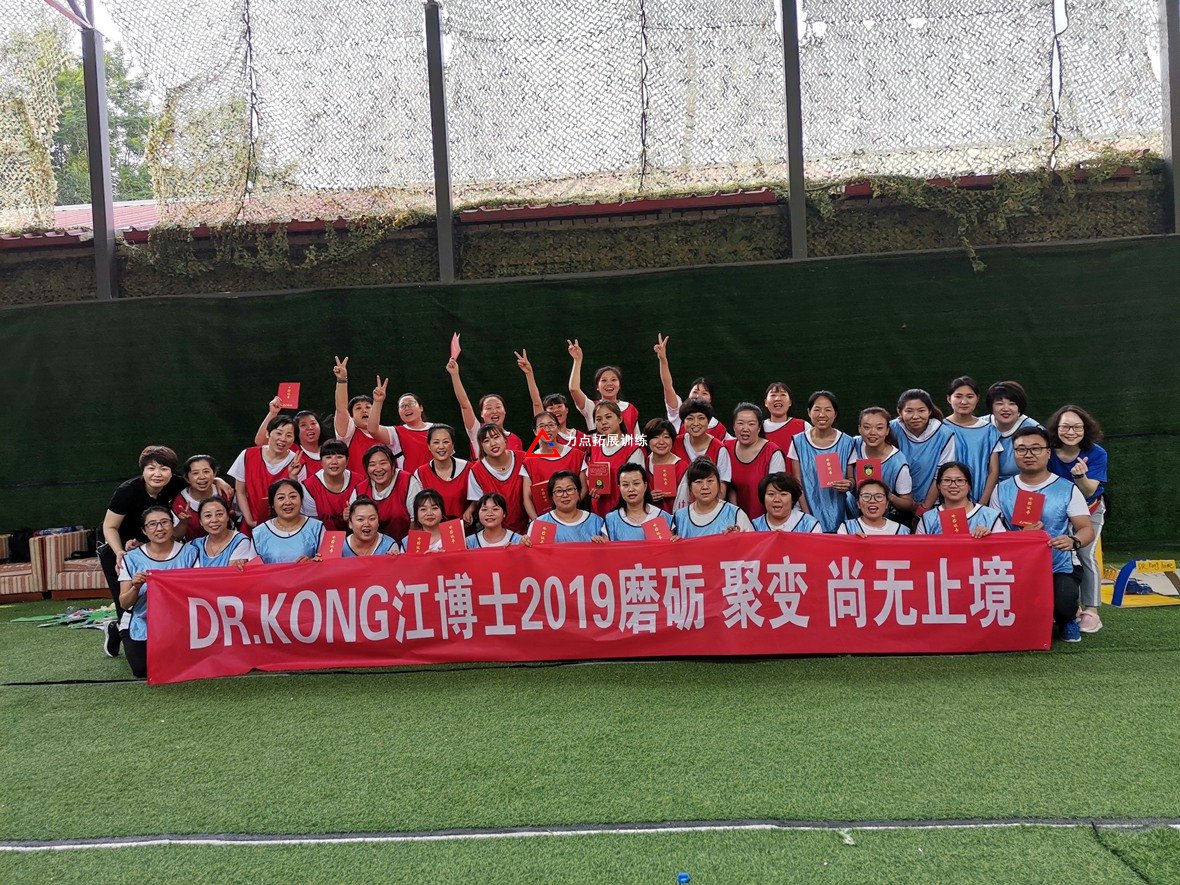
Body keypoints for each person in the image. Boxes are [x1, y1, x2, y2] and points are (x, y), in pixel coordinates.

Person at [990, 427, 1095, 642]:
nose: (1028, 454)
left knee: (1063, 602)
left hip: (1058, 565)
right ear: (1014, 454)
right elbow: (995, 532)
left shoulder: (1067, 488)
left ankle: (1067, 618)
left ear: (1048, 453)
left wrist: (1073, 541)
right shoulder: (1001, 490)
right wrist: (1021, 537)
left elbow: (1086, 528)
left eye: (1036, 449)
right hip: (1015, 567)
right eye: (1021, 449)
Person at [100, 445, 200, 657]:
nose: (157, 474)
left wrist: (219, 481)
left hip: (153, 545)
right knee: (127, 605)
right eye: (151, 468)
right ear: (143, 470)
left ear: (171, 472)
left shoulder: (174, 484)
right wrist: (120, 553)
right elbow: (109, 527)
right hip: (119, 548)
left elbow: (197, 480)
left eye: (163, 468)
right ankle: (117, 631)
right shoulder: (127, 491)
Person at [114, 505, 199, 678]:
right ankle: (117, 629)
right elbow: (124, 603)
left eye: (164, 522)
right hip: (141, 620)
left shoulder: (190, 553)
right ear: (144, 531)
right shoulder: (131, 558)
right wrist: (136, 587)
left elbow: (198, 590)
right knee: (141, 670)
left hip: (178, 621)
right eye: (152, 524)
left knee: (183, 664)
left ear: (172, 525)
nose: (159, 528)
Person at [1047, 404, 1109, 634]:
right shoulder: (1048, 452)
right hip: (1058, 512)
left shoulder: (1097, 453)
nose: (1071, 432)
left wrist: (1080, 476)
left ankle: (1092, 610)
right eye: (1065, 427)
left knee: (1085, 554)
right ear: (1056, 429)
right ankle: (1068, 608)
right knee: (1058, 556)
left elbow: (1090, 490)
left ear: (1085, 429)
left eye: (1077, 427)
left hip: (1090, 510)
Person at [788, 391, 855, 532]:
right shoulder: (798, 441)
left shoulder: (848, 442)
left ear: (835, 413)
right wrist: (807, 516)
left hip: (840, 513)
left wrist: (848, 484)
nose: (822, 414)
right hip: (807, 512)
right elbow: (797, 483)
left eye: (828, 410)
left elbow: (851, 479)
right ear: (809, 412)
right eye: (817, 409)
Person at [891, 389, 956, 520]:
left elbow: (942, 474)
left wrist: (924, 507)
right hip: (894, 504)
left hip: (931, 504)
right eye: (909, 411)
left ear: (929, 411)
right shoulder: (890, 428)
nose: (915, 416)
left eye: (921, 410)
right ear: (900, 412)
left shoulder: (944, 434)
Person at [230, 415, 298, 533]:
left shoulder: (297, 462)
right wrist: (249, 520)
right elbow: (240, 492)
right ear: (267, 434)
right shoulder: (247, 455)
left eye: (289, 435)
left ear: (293, 439)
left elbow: (297, 497)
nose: (283, 439)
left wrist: (293, 476)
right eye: (279, 433)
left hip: (285, 526)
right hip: (252, 524)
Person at [653, 333, 729, 440]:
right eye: (695, 391)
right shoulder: (678, 412)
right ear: (689, 394)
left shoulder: (718, 427)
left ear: (710, 399)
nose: (698, 396)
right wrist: (663, 360)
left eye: (704, 393)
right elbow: (667, 386)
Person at [446, 356, 524, 458]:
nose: (494, 411)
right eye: (489, 408)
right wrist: (454, 375)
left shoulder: (515, 439)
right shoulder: (477, 431)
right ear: (481, 414)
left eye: (498, 407)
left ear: (505, 411)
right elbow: (465, 405)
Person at [333, 358, 399, 475]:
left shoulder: (388, 434)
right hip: (359, 485)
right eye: (358, 408)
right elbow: (341, 410)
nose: (364, 410)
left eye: (368, 407)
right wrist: (342, 380)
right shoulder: (348, 434)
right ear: (351, 417)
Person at [943, 376, 1001, 505]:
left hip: (979, 498)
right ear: (949, 398)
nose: (964, 401)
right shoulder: (941, 428)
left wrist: (982, 503)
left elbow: (993, 471)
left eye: (970, 396)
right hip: (946, 500)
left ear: (977, 399)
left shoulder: (989, 430)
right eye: (958, 396)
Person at [723, 402, 785, 520]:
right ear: (734, 426)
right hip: (732, 520)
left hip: (764, 521)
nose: (745, 428)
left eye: (751, 424)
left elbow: (777, 493)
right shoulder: (725, 448)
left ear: (759, 427)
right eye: (740, 423)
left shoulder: (772, 452)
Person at [848, 407, 913, 516]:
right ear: (859, 429)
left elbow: (907, 503)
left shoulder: (897, 463)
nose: (872, 432)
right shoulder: (853, 444)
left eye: (879, 428)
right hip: (850, 515)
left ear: (887, 430)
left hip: (880, 518)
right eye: (867, 427)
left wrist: (886, 494)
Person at [467, 424, 531, 533]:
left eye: (496, 437)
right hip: (495, 531)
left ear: (505, 439)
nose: (493, 443)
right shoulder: (476, 470)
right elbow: (478, 500)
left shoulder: (524, 459)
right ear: (481, 446)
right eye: (486, 441)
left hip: (527, 528)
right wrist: (469, 510)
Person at [522, 411, 587, 518]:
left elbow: (584, 487)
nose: (547, 429)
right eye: (541, 426)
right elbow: (526, 498)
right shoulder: (529, 462)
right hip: (545, 519)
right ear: (535, 432)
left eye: (551, 425)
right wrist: (537, 522)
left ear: (558, 428)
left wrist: (568, 507)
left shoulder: (575, 455)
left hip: (573, 516)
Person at [567, 338, 640, 433]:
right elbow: (574, 389)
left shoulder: (630, 408)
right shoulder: (591, 407)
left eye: (613, 380)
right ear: (597, 387)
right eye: (604, 380)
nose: (609, 383)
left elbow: (637, 438)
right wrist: (577, 360)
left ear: (619, 385)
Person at [915, 462, 1006, 536]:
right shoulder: (928, 518)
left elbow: (1003, 548)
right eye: (947, 480)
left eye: (960, 480)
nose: (953, 485)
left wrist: (989, 538)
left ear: (969, 485)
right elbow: (920, 549)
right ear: (938, 485)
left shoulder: (989, 516)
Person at [584, 401, 642, 517]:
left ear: (620, 419)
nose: (603, 422)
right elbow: (588, 476)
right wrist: (593, 487)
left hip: (625, 514)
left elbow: (638, 484)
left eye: (608, 417)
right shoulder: (594, 446)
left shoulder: (633, 448)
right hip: (598, 512)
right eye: (598, 419)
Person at [351, 444, 418, 540]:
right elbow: (353, 523)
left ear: (393, 464)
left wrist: (406, 546)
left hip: (404, 545)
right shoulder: (360, 489)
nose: (378, 469)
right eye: (372, 464)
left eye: (383, 463)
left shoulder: (407, 481)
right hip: (372, 546)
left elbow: (416, 520)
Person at [672, 458, 753, 538]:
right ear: (690, 486)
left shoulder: (735, 514)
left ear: (718, 484)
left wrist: (737, 539)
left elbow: (752, 543)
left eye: (710, 481)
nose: (705, 487)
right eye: (698, 482)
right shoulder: (679, 517)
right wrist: (676, 542)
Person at [251, 480, 326, 564]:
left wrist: (311, 563)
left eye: (293, 497)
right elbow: (252, 568)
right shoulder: (259, 533)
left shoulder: (316, 528)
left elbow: (326, 563)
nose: (288, 502)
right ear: (272, 504)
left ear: (301, 500)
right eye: (281, 498)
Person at [412, 424, 474, 525]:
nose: (441, 447)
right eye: (436, 442)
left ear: (453, 445)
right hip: (432, 528)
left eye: (446, 442)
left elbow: (478, 496)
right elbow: (417, 506)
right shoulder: (420, 473)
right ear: (429, 446)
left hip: (464, 528)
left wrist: (470, 510)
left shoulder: (468, 468)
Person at [300, 439, 363, 531]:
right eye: (328, 457)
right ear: (321, 462)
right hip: (321, 535)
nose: (334, 462)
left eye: (339, 457)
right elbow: (312, 524)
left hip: (355, 535)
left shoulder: (360, 482)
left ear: (347, 461)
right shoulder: (309, 486)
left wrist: (354, 515)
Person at [674, 399, 733, 495]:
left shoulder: (719, 449)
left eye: (701, 418)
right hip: (678, 502)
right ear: (683, 422)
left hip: (709, 503)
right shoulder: (675, 444)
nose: (696, 423)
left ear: (708, 421)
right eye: (690, 418)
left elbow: (722, 488)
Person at [603, 463, 675, 540]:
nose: (631, 489)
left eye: (636, 483)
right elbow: (606, 547)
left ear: (645, 485)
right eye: (625, 485)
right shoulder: (611, 519)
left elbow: (669, 547)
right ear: (619, 487)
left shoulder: (662, 516)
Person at [531, 471, 606, 542]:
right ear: (552, 496)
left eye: (570, 489)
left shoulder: (596, 521)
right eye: (559, 491)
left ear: (579, 492)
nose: (565, 495)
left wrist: (601, 543)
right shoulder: (540, 524)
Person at [986, 380, 1040, 480]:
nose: (1006, 409)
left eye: (1012, 404)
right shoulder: (980, 426)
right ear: (991, 406)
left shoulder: (1035, 430)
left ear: (1019, 407)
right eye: (1000, 403)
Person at [255, 401, 325, 477]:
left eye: (313, 423)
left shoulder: (330, 449)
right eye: (303, 425)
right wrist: (273, 413)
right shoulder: (289, 447)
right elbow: (260, 442)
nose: (310, 427)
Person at [171, 454, 232, 541]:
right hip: (193, 547)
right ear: (187, 478)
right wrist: (183, 522)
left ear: (214, 473)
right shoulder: (179, 502)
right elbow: (176, 537)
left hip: (228, 543)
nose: (202, 477)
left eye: (206, 471)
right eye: (195, 473)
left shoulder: (226, 493)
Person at [641, 418, 689, 513]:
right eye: (655, 437)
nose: (661, 442)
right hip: (646, 518)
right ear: (647, 440)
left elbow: (683, 503)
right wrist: (647, 497)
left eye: (666, 437)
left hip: (673, 519)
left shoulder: (682, 467)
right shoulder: (643, 462)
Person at [191, 497, 255, 567]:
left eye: (219, 514)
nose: (214, 520)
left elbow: (231, 572)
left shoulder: (240, 541)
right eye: (208, 515)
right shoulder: (194, 545)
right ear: (200, 521)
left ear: (227, 517)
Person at [751, 473, 823, 533]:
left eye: (783, 494)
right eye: (771, 494)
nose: (777, 499)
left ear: (792, 498)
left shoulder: (810, 525)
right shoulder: (753, 527)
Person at [838, 479, 911, 535]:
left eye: (878, 496)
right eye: (866, 496)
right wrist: (853, 542)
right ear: (858, 504)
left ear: (887, 504)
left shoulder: (902, 531)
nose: (872, 500)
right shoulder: (847, 528)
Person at [762, 381, 808, 453]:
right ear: (765, 402)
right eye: (773, 395)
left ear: (790, 402)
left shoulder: (803, 426)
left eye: (783, 395)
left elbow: (820, 451)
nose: (778, 398)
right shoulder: (758, 428)